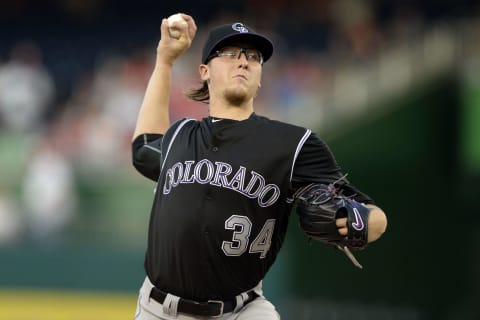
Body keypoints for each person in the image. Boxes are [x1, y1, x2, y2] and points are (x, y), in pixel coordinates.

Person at [131, 13, 387, 320]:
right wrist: (164, 62)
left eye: (253, 57)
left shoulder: (293, 144)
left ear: (261, 76)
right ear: (205, 71)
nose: (244, 62)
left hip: (241, 311)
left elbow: (375, 217)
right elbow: (144, 147)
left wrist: (357, 221)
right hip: (157, 310)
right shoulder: (181, 135)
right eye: (230, 54)